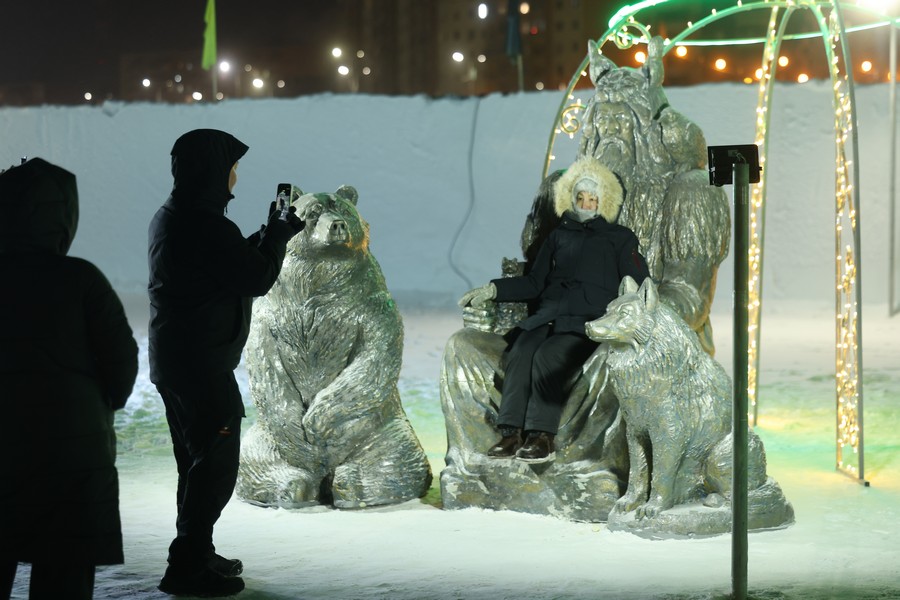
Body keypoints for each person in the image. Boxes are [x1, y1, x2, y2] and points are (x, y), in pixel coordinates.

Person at [148, 129, 304, 597]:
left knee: (195, 465)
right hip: (201, 366)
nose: (235, 176)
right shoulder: (204, 224)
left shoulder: (177, 216)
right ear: (215, 172)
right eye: (231, 167)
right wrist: (277, 236)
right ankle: (187, 567)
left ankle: (197, 550)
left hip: (177, 360)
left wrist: (261, 235)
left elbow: (226, 263)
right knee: (213, 467)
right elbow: (255, 277)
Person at [0, 158, 139, 599]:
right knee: (64, 573)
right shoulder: (81, 279)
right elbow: (121, 360)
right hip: (72, 453)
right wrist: (97, 408)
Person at [458, 157, 649, 463]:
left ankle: (541, 436)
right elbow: (534, 282)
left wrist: (639, 290)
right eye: (581, 198)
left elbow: (637, 277)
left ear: (604, 201)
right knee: (521, 350)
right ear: (572, 199)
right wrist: (494, 290)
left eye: (593, 198)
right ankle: (511, 434)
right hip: (547, 318)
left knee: (550, 356)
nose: (586, 203)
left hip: (586, 323)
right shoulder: (558, 236)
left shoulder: (619, 238)